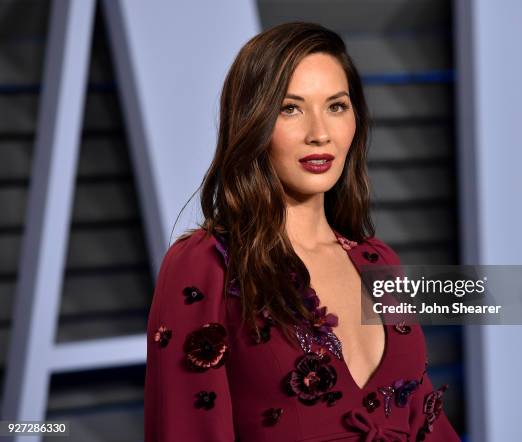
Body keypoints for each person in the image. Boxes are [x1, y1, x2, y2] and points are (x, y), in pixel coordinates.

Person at [144, 21, 460, 442]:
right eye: (290, 108)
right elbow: (187, 430)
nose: (320, 134)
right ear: (252, 121)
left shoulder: (378, 261)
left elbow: (426, 424)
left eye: (336, 106)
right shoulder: (206, 265)